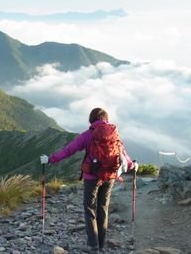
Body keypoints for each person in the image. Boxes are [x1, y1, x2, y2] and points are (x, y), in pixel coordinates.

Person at [40, 107, 137, 253]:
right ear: (106, 119)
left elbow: (69, 150)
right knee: (103, 207)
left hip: (92, 176)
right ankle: (101, 243)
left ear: (92, 120)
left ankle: (93, 245)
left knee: (89, 207)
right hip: (110, 176)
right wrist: (132, 165)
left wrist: (50, 159)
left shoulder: (88, 135)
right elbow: (123, 153)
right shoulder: (114, 134)